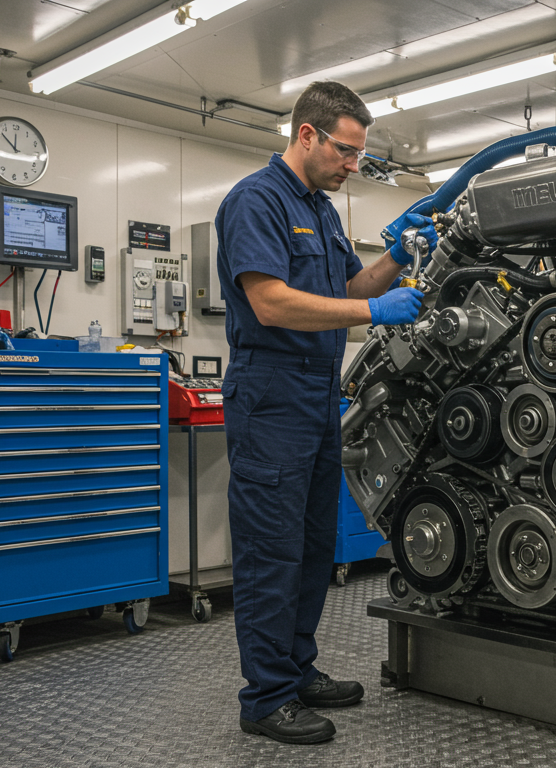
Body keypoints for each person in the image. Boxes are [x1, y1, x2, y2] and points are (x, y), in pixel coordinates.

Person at [214, 80, 435, 745]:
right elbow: (272, 304)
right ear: (306, 135)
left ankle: (297, 670)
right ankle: (266, 698)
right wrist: (374, 313)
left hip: (315, 396)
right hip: (271, 398)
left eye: (359, 155)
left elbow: (347, 288)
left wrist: (395, 258)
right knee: (271, 553)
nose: (353, 166)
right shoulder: (256, 202)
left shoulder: (324, 210)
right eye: (346, 151)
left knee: (312, 550)